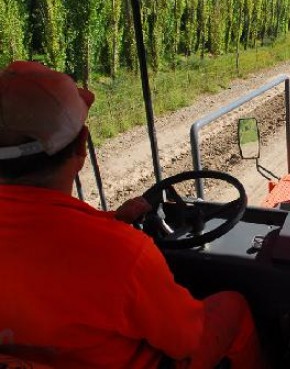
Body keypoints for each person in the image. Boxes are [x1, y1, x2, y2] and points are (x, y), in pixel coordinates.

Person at [0, 61, 268, 369]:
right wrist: (119, 238)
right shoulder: (123, 253)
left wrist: (111, 221)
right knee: (231, 307)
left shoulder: (112, 243)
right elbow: (186, 339)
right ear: (81, 146)